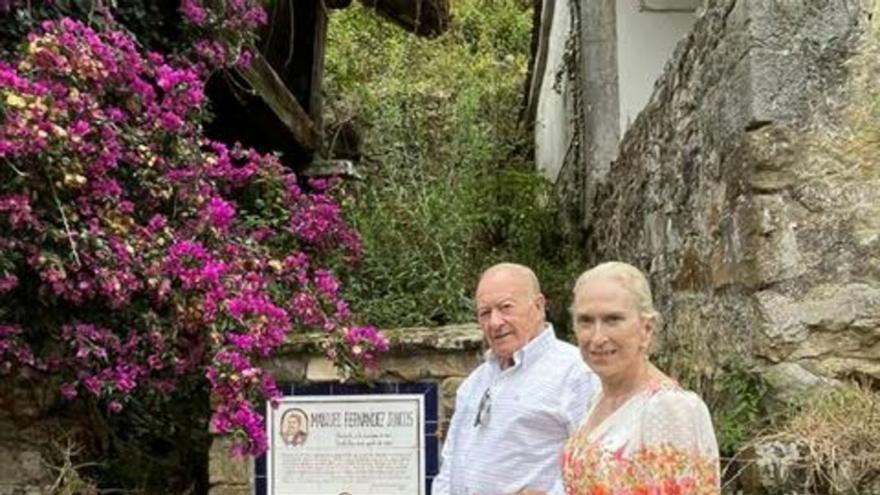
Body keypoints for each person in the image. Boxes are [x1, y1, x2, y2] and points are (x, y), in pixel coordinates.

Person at [433, 263, 599, 495]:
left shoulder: (576, 374)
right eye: (485, 313)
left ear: (539, 306)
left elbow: (596, 466)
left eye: (506, 307)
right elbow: (449, 465)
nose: (495, 322)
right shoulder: (475, 382)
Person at [561, 261, 720, 494]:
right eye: (585, 321)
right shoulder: (599, 399)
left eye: (612, 320)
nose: (597, 337)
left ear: (646, 328)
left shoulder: (668, 408)